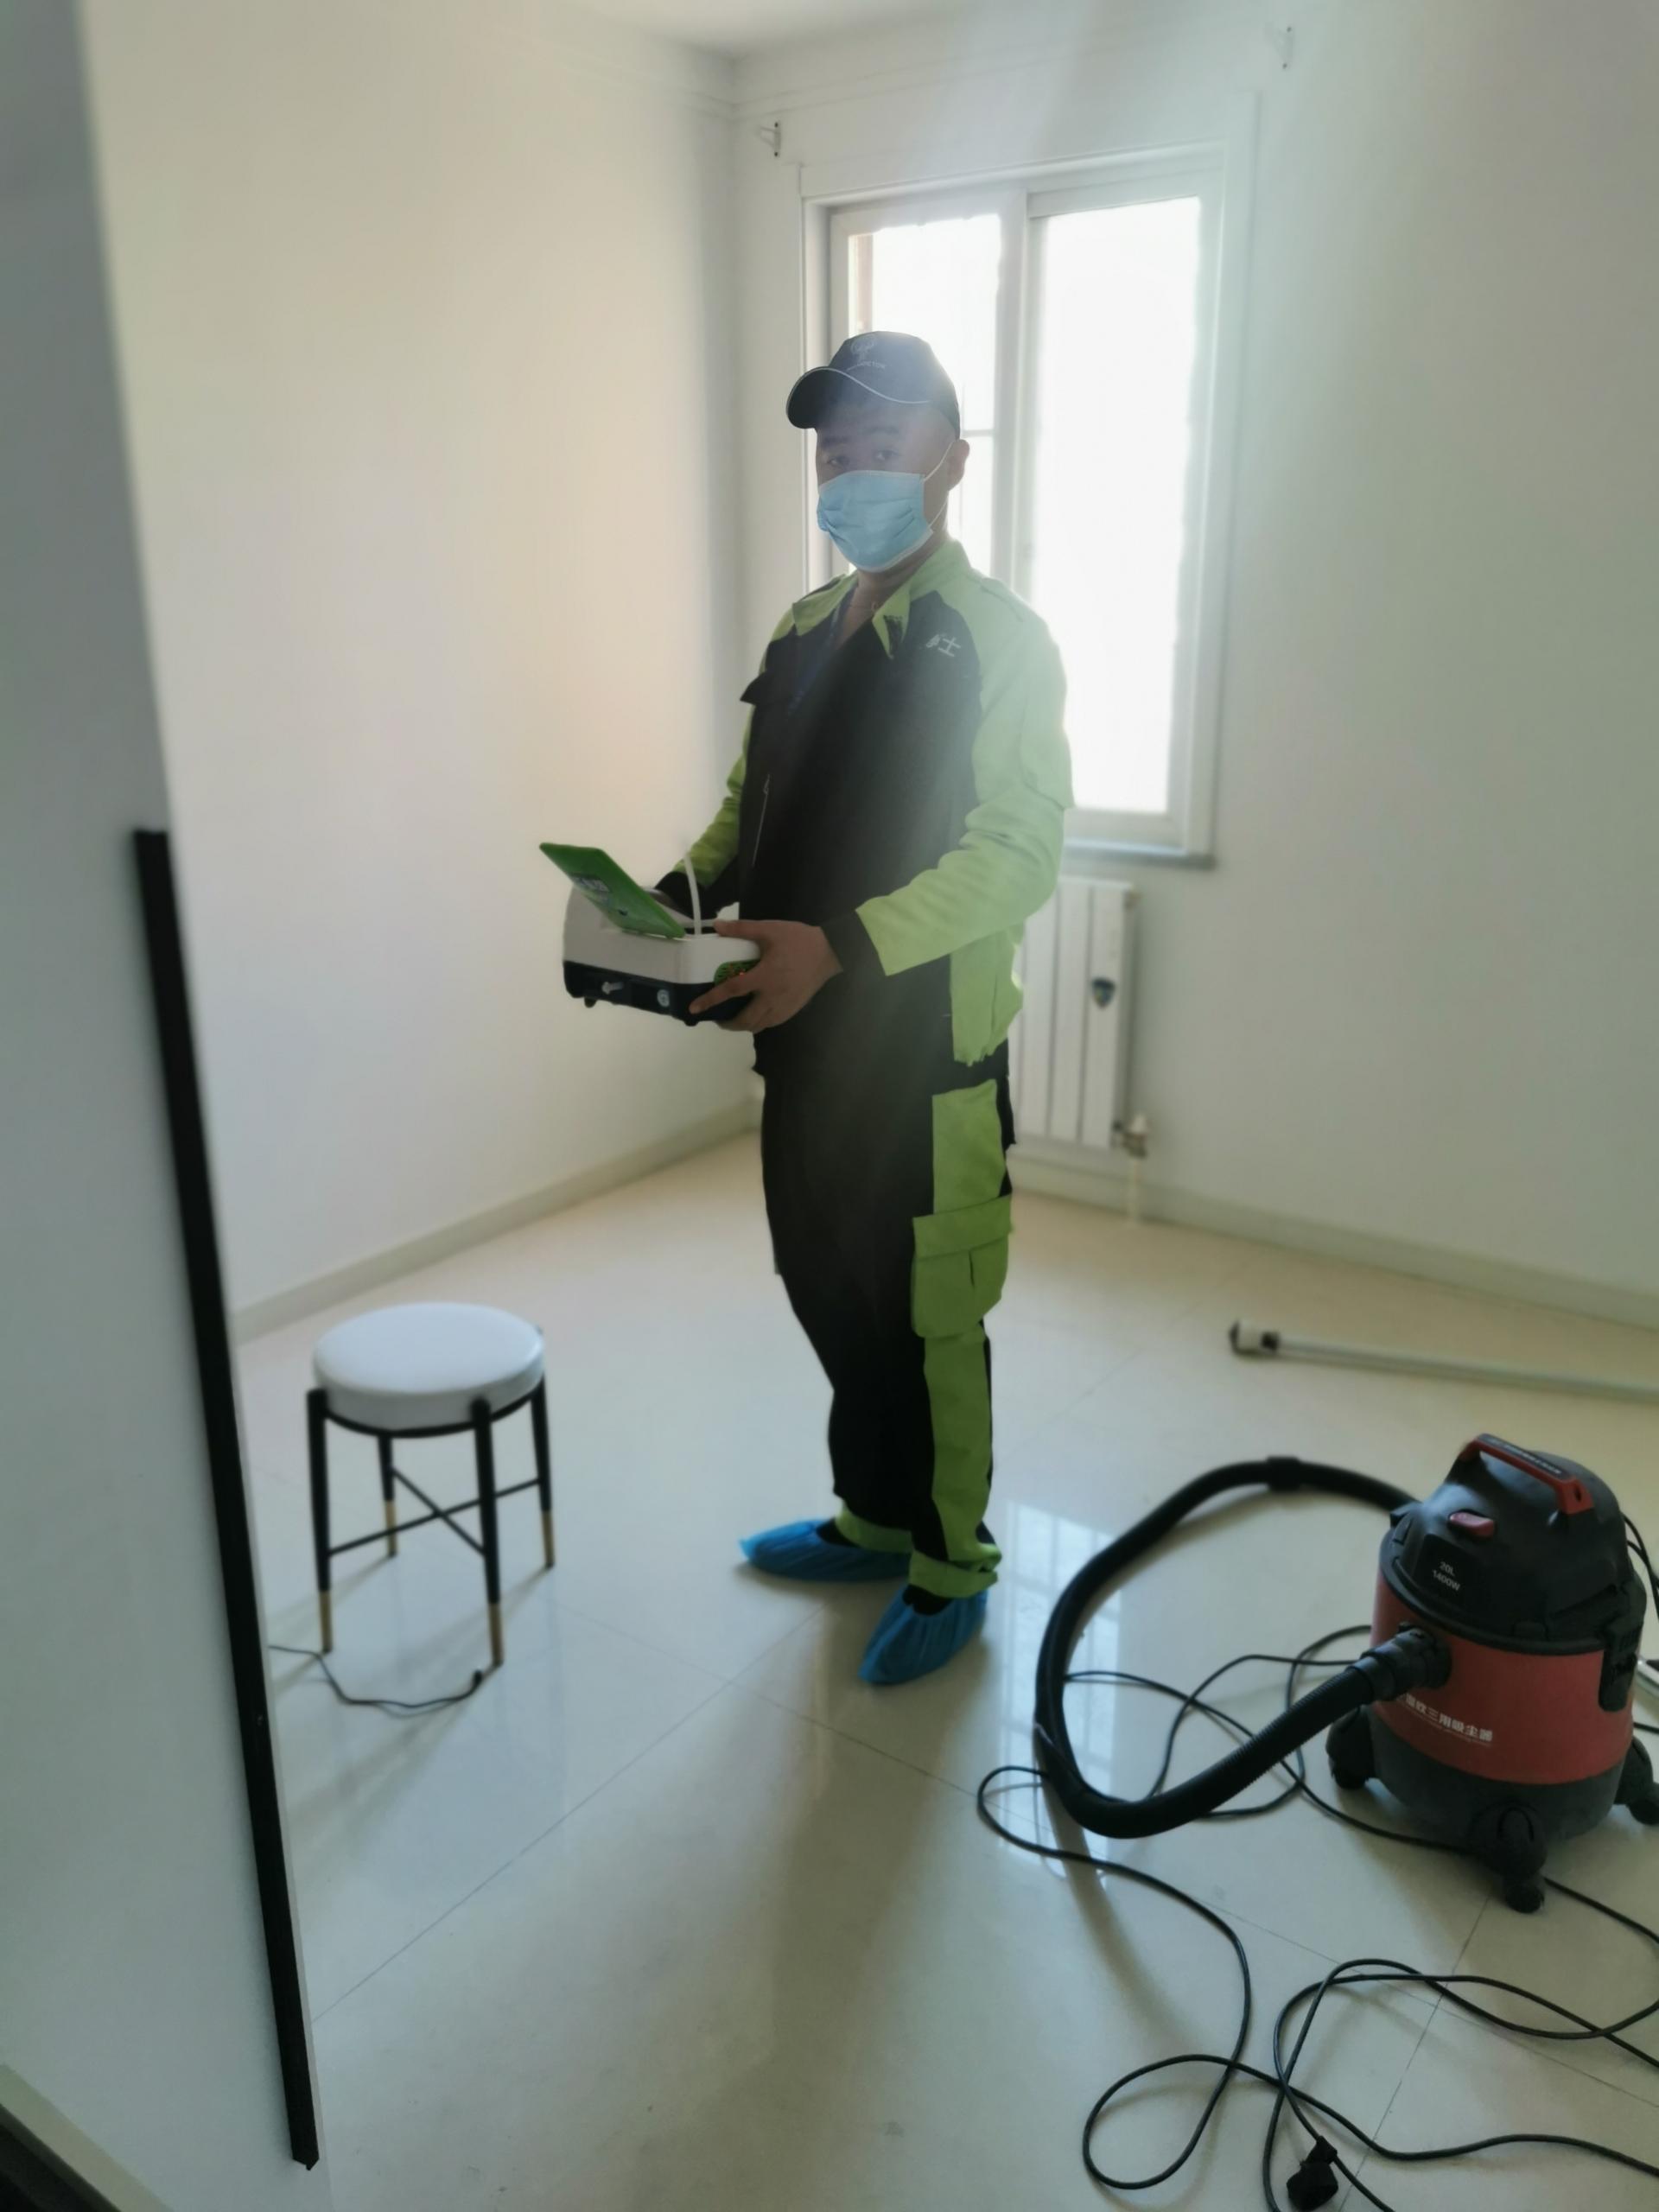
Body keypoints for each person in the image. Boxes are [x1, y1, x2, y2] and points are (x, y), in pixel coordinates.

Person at [664, 332, 1072, 1687]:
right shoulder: (799, 634)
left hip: (926, 1059)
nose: (851, 473)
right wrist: (670, 897)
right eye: (834, 451)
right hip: (801, 1046)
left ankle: (952, 1562)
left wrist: (841, 947)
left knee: (929, 1314)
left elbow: (1019, 854)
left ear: (950, 461)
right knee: (828, 1287)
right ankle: (873, 1517)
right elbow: (749, 812)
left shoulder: (996, 641)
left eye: (880, 445)